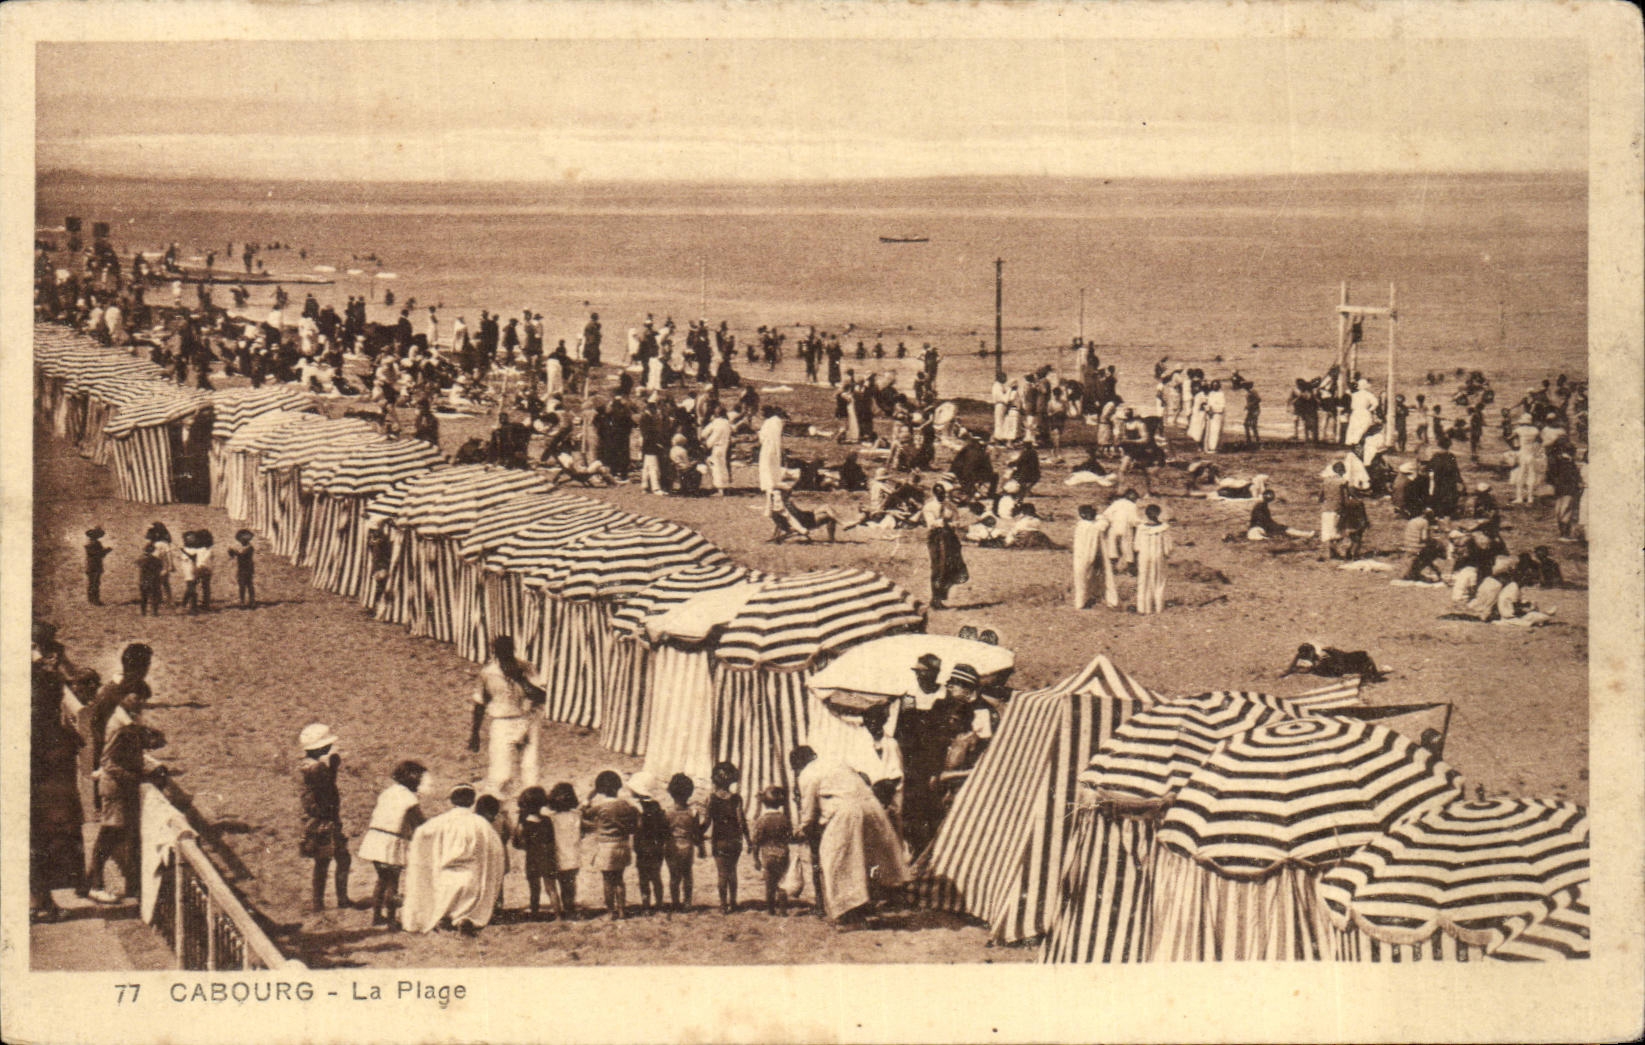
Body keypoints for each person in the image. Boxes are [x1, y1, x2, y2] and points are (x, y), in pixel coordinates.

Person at [790, 746, 909, 925]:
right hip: (872, 807)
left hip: (848, 813)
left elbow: (808, 811)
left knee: (836, 860)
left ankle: (849, 914)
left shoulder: (807, 774)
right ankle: (866, 903)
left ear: (798, 765)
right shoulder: (836, 762)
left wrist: (801, 830)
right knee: (866, 859)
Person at [85, 663, 166, 904]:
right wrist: (137, 778)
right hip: (115, 788)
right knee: (109, 835)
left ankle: (94, 881)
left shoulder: (124, 719)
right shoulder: (122, 725)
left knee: (115, 835)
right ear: (125, 696)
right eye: (137, 697)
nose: (140, 702)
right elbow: (108, 762)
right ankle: (93, 884)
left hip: (118, 786)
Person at [31, 624, 87, 921]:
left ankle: (40, 902)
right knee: (41, 834)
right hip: (39, 765)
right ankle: (39, 903)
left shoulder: (40, 673)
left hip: (39, 760)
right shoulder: (37, 681)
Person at [401, 784, 508, 934]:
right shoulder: (481, 824)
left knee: (443, 901)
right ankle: (463, 920)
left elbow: (420, 834)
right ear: (472, 801)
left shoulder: (439, 822)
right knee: (468, 904)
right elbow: (496, 849)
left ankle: (444, 919)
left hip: (447, 877)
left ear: (451, 800)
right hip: (472, 878)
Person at [467, 635, 547, 798]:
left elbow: (541, 696)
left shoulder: (527, 668)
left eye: (509, 653)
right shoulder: (488, 673)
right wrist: (475, 733)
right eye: (502, 654)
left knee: (530, 770)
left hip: (529, 720)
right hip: (502, 724)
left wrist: (520, 679)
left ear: (513, 651)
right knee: (500, 775)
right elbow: (480, 704)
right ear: (495, 653)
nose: (506, 657)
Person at [358, 760, 428, 929]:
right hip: (391, 841)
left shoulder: (387, 792)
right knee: (393, 882)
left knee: (382, 880)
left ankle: (377, 917)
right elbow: (419, 822)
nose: (420, 781)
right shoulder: (409, 798)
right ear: (410, 777)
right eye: (419, 777)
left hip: (375, 839)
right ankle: (391, 920)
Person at [297, 723, 353, 912]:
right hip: (324, 820)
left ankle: (319, 902)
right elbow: (328, 790)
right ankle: (336, 900)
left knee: (325, 861)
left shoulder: (307, 765)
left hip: (318, 820)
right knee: (337, 859)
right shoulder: (318, 768)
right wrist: (334, 769)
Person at [582, 770, 639, 920]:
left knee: (607, 881)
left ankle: (610, 911)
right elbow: (635, 814)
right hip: (623, 844)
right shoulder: (624, 804)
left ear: (600, 789)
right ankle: (621, 910)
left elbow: (583, 813)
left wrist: (589, 797)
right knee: (619, 879)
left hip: (606, 846)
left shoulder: (600, 807)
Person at [706, 761, 748, 914]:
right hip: (735, 839)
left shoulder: (712, 799)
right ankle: (734, 902)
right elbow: (741, 821)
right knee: (733, 871)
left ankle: (723, 905)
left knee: (722, 873)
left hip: (719, 840)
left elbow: (706, 822)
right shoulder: (737, 799)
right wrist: (749, 841)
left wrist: (696, 832)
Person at [511, 785, 558, 920]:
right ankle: (558, 915)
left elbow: (516, 843)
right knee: (551, 888)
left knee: (534, 888)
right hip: (548, 857)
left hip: (532, 857)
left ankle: (535, 913)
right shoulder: (547, 820)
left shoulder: (524, 823)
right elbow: (551, 839)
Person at [627, 772, 670, 914]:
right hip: (656, 846)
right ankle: (659, 903)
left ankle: (646, 905)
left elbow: (635, 828)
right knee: (656, 876)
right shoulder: (657, 806)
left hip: (642, 847)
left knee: (643, 878)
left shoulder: (636, 809)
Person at [922, 483, 968, 610]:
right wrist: (945, 523)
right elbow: (932, 524)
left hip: (949, 538)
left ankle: (940, 598)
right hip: (936, 538)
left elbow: (957, 522)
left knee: (949, 567)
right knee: (938, 567)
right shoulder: (929, 507)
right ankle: (935, 598)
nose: (942, 496)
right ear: (934, 494)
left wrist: (949, 524)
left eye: (943, 494)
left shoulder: (950, 506)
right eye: (939, 494)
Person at [664, 773, 705, 911]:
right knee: (687, 875)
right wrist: (701, 848)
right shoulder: (693, 812)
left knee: (674, 877)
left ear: (670, 792)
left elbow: (664, 832)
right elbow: (697, 833)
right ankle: (687, 902)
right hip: (688, 846)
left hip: (672, 846)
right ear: (690, 792)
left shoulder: (667, 812)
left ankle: (675, 902)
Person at [749, 786, 793, 916]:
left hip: (767, 855)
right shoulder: (784, 819)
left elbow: (756, 841)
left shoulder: (761, 820)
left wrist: (756, 859)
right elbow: (789, 837)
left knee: (769, 884)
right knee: (782, 883)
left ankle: (771, 909)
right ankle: (783, 909)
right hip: (783, 854)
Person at [546, 782, 583, 916]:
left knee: (558, 884)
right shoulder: (577, 815)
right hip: (573, 855)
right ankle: (570, 908)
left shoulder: (551, 818)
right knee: (570, 885)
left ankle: (560, 911)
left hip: (557, 855)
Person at [1134, 504, 1172, 615]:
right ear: (1159, 514)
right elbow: (1168, 548)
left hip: (1144, 557)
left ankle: (1143, 608)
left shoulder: (1141, 528)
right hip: (1158, 556)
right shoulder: (1164, 528)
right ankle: (1159, 608)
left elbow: (1136, 546)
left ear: (1146, 514)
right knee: (1159, 581)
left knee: (1143, 581)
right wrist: (1166, 554)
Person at [1072, 504, 1111, 609]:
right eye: (1090, 513)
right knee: (1083, 579)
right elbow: (1104, 524)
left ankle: (1082, 602)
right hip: (1086, 556)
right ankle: (1082, 603)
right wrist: (1098, 516)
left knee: (1082, 580)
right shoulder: (1091, 526)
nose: (1092, 515)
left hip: (1081, 556)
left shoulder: (1081, 524)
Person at [1246, 489, 1313, 540]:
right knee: (1285, 530)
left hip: (1261, 527)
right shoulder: (1260, 506)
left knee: (1284, 530)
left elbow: (1266, 520)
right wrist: (1276, 526)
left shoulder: (1262, 506)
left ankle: (1304, 535)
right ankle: (1305, 535)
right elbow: (1265, 521)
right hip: (1260, 528)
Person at [1400, 509, 1445, 582]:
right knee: (1433, 551)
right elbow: (1424, 538)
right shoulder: (1424, 522)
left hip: (1408, 544)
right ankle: (1436, 570)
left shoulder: (1412, 520)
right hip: (1417, 547)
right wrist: (1433, 539)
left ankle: (1414, 572)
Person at [1320, 462, 1347, 559]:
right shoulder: (1342, 482)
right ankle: (1337, 553)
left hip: (1326, 509)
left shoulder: (1326, 481)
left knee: (1328, 532)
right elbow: (1345, 497)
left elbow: (1321, 497)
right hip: (1337, 509)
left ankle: (1330, 552)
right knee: (1338, 531)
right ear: (1342, 470)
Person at [757, 405, 785, 495]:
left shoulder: (768, 422)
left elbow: (762, 437)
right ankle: (775, 484)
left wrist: (758, 433)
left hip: (767, 446)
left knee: (766, 466)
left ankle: (769, 486)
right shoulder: (778, 421)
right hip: (776, 446)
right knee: (774, 465)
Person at [227, 529, 256, 607]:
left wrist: (233, 551)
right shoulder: (244, 547)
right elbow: (233, 555)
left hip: (247, 568)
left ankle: (251, 600)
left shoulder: (250, 547)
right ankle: (243, 600)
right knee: (242, 585)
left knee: (248, 585)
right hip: (241, 568)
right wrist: (231, 552)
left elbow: (241, 554)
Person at [84, 526, 110, 605]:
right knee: (95, 583)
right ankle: (95, 600)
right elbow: (98, 554)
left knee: (93, 583)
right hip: (95, 566)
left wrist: (104, 552)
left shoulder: (90, 543)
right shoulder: (94, 543)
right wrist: (106, 551)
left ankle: (92, 599)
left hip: (91, 566)